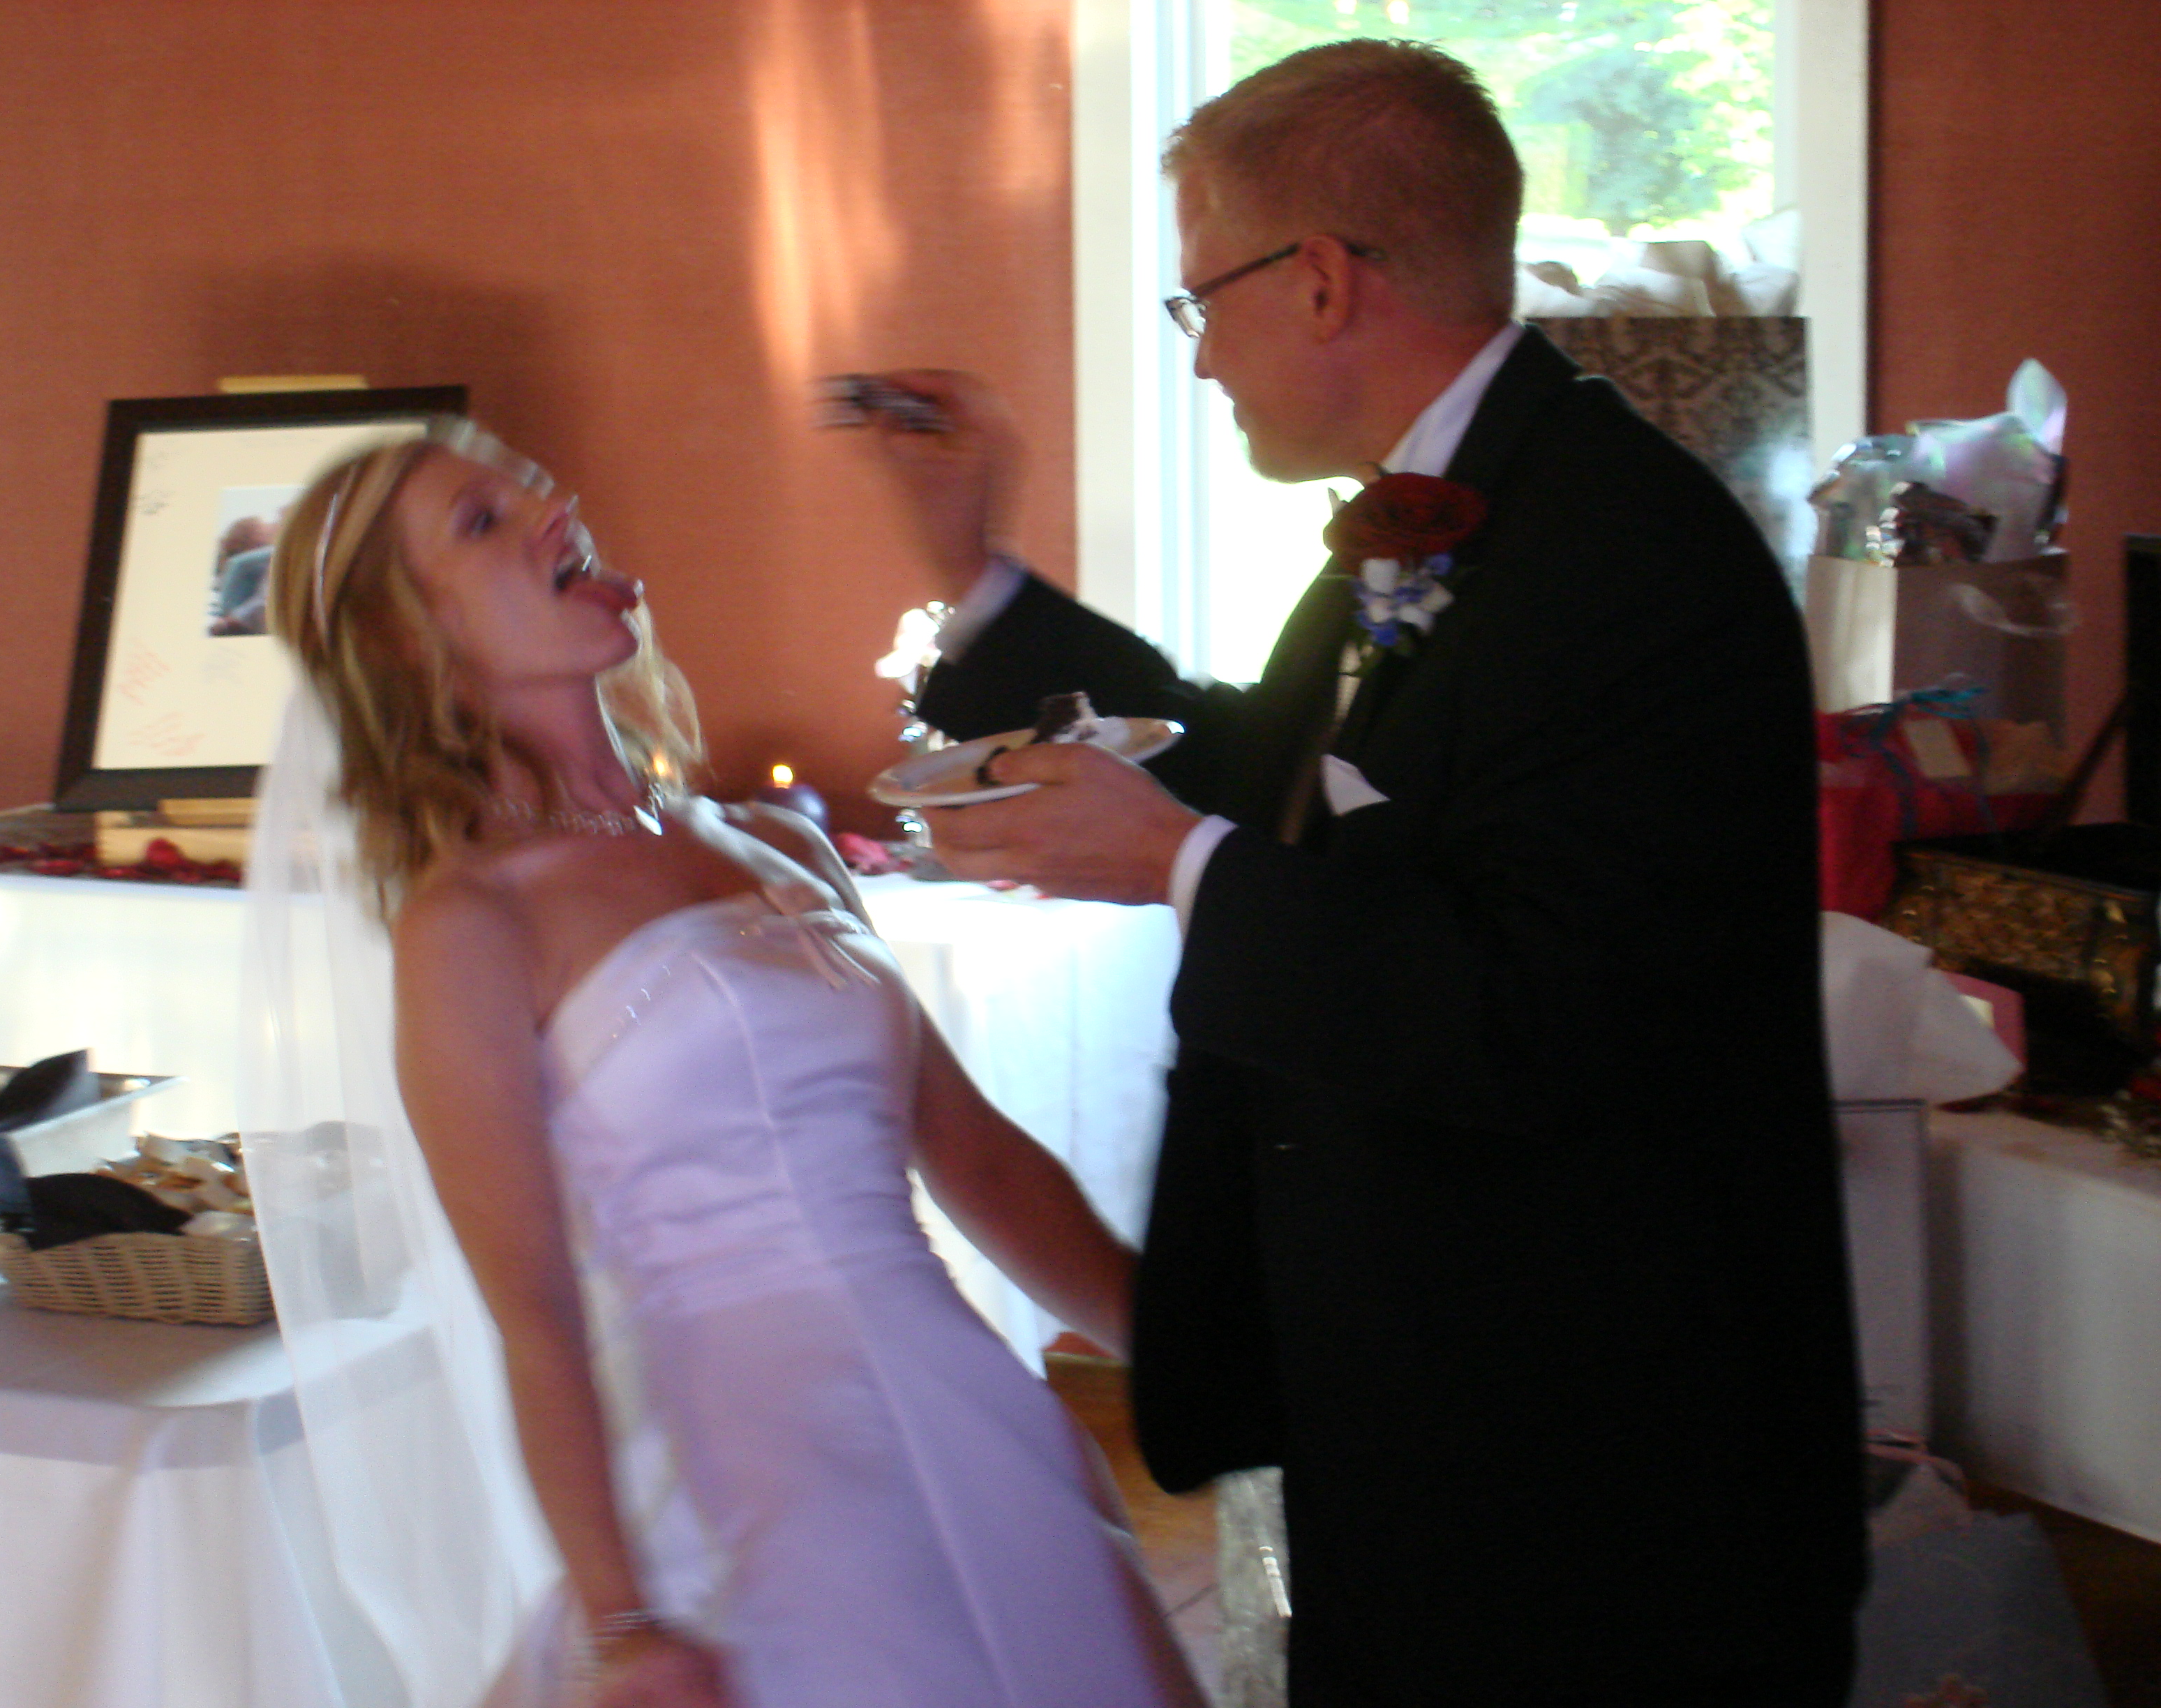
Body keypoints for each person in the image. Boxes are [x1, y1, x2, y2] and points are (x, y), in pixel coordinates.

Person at [855, 39, 1867, 1708]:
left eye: (1202, 301)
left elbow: (1533, 1011)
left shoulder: (1622, 551)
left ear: (1320, 279)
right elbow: (1279, 760)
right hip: (1441, 1439)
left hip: (1605, 1491)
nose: (1199, 357)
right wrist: (977, 582)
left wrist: (1181, 865)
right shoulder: (1457, 512)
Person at [250, 418, 1206, 1708]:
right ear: (406, 642)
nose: (549, 508)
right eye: (482, 522)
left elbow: (975, 1158)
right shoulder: (472, 923)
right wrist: (622, 1624)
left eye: (531, 483)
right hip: (747, 1486)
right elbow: (533, 1315)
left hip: (966, 1413)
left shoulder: (777, 845)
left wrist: (1199, 1361)